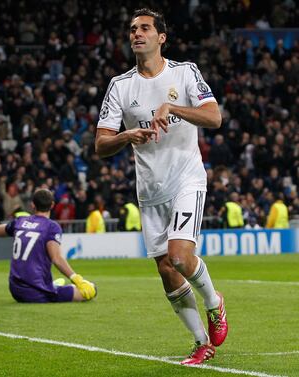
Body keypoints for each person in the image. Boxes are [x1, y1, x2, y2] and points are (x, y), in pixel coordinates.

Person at [95, 8, 227, 365]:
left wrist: (174, 107)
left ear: (161, 37)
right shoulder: (120, 86)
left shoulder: (184, 73)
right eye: (132, 29)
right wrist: (127, 134)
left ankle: (215, 304)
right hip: (149, 188)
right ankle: (202, 343)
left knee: (180, 256)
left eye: (145, 28)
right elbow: (100, 144)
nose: (136, 34)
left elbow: (214, 117)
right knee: (166, 271)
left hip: (186, 176)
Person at [0, 189, 96, 303]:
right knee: (91, 289)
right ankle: (51, 287)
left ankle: (51, 284)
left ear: (32, 205)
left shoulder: (20, 221)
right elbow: (57, 259)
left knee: (55, 282)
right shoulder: (51, 227)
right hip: (36, 292)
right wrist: (77, 279)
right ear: (52, 205)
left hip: (15, 290)